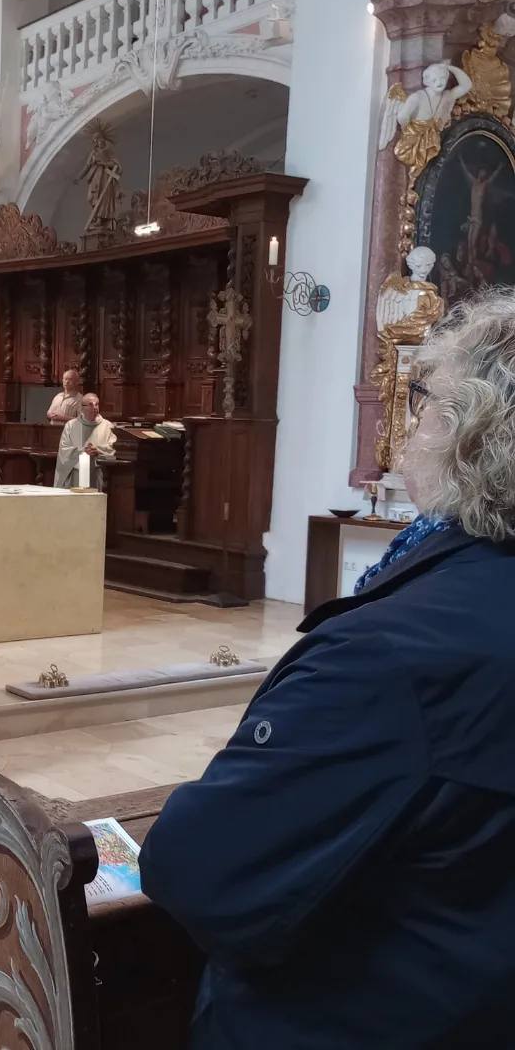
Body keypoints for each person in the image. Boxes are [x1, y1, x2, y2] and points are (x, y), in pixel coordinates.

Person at [139, 290, 515, 1047]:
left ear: (471, 432)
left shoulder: (390, 656)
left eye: (424, 401)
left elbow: (201, 872)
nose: (412, 423)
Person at [54, 394, 115, 488]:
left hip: (98, 473)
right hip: (76, 473)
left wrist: (98, 450)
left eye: (97, 404)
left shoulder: (108, 426)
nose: (95, 407)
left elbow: (113, 448)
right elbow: (64, 449)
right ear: (82, 408)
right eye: (90, 404)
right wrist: (82, 451)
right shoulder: (71, 425)